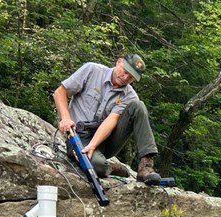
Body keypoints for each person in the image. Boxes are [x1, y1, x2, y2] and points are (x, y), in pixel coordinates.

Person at [53, 54, 161, 185]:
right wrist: (65, 118)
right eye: (125, 71)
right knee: (97, 167)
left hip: (105, 138)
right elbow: (60, 92)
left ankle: (146, 166)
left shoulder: (130, 96)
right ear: (119, 62)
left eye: (131, 77)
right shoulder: (92, 70)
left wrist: (93, 145)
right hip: (79, 134)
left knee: (138, 106)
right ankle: (109, 167)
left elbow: (111, 121)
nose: (126, 77)